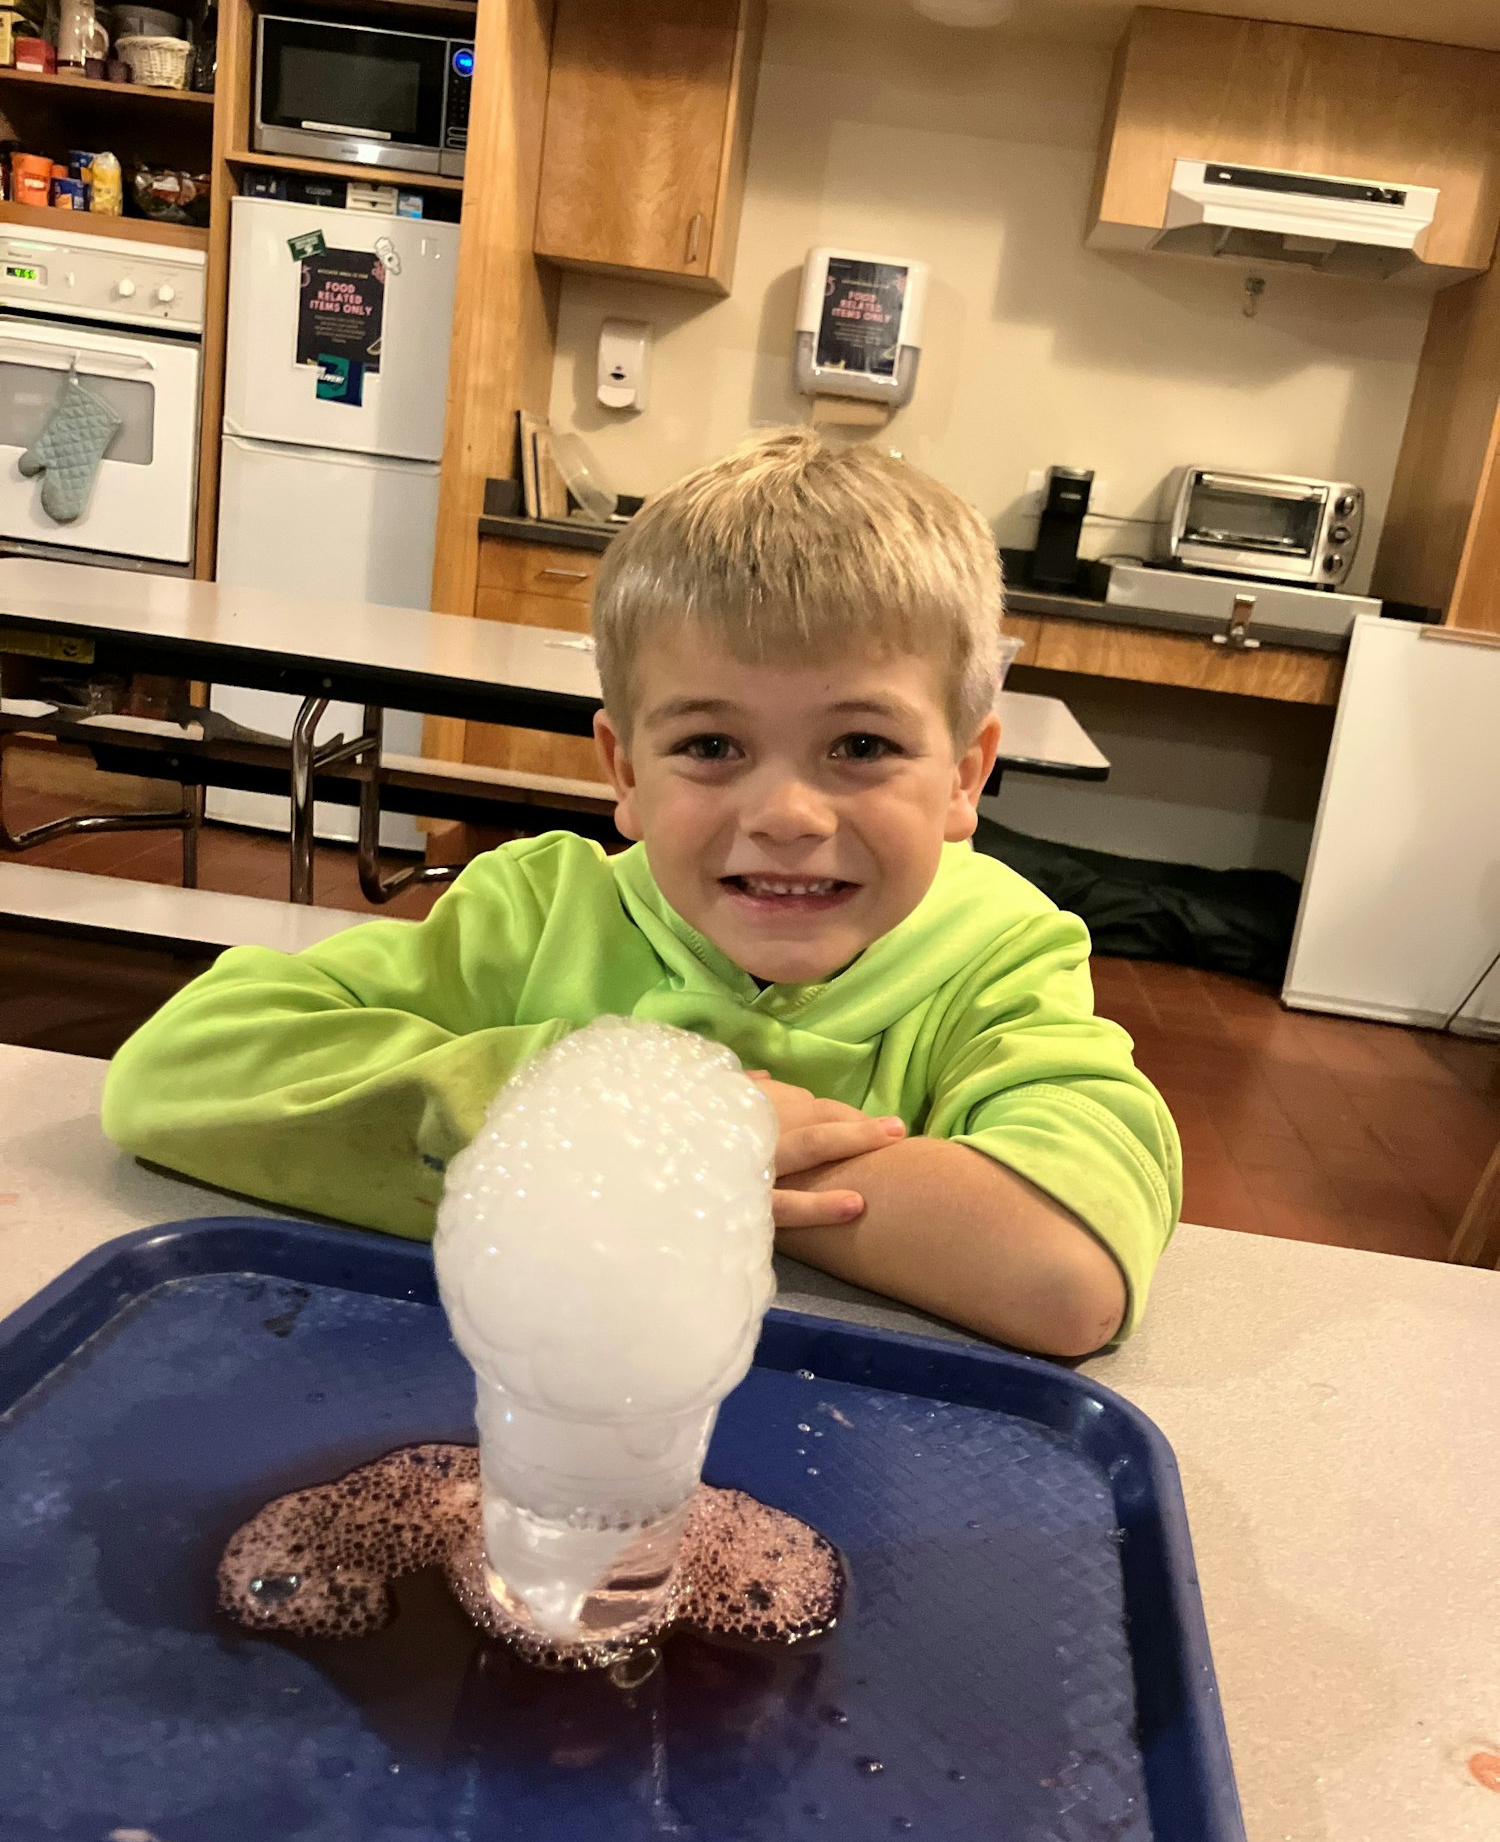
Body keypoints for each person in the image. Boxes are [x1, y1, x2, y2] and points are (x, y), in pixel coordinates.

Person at [102, 430, 1179, 1357]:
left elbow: (1065, 1270)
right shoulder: (531, 911)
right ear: (624, 770)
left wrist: (663, 1161)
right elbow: (173, 1070)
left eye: (861, 743)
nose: (790, 813)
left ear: (962, 775)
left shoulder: (1004, 953)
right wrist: (646, 1130)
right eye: (712, 743)